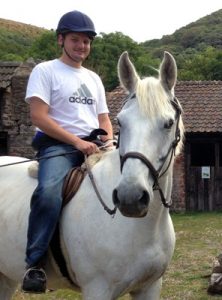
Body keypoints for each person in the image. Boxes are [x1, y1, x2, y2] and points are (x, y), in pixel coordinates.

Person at [22, 10, 113, 293]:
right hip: (59, 146)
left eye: (86, 41)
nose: (82, 46)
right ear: (61, 40)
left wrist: (109, 141)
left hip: (95, 146)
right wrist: (76, 142)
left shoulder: (94, 78)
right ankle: (34, 264)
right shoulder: (45, 71)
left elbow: (103, 119)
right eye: (75, 40)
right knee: (49, 192)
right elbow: (39, 117)